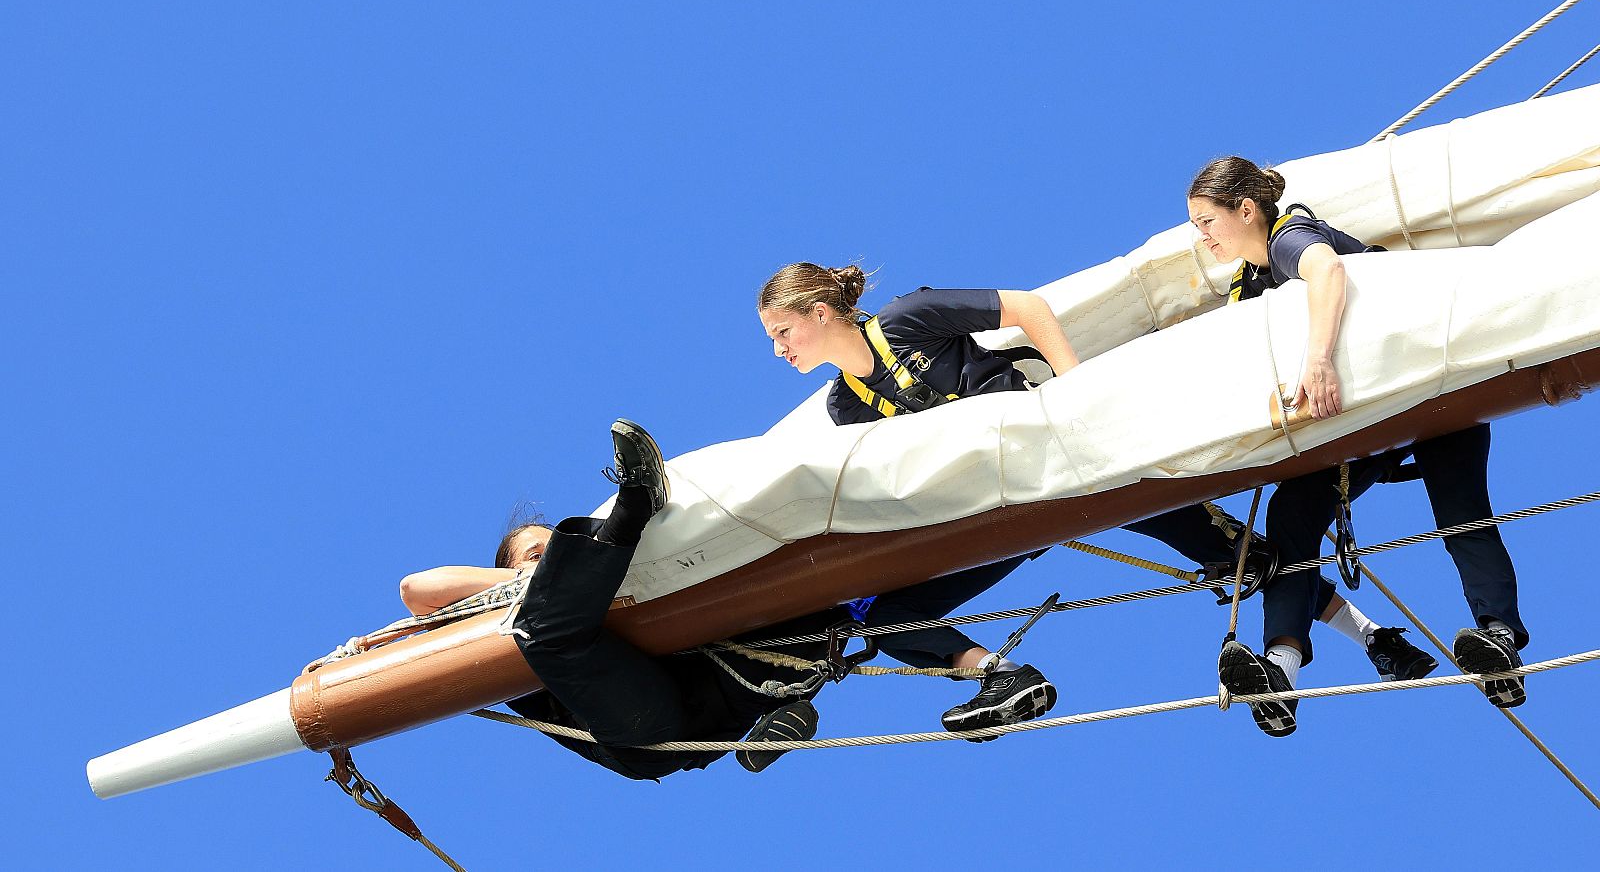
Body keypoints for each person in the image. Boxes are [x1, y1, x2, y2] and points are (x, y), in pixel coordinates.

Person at [755, 263, 1432, 736]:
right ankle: (1000, 676)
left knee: (1241, 560)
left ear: (819, 313)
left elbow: (1026, 308)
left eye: (782, 332)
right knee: (887, 616)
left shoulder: (908, 318)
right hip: (999, 510)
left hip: (1063, 459)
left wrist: (1076, 397)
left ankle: (1373, 636)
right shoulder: (848, 405)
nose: (778, 349)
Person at [1187, 156, 1529, 737]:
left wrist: (1317, 362)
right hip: (1370, 424)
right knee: (1293, 514)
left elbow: (1327, 273)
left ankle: (1499, 638)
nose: (1201, 237)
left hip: (1429, 393)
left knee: (1460, 511)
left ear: (1246, 210)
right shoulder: (1249, 288)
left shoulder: (1290, 238)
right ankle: (1281, 670)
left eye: (1205, 221)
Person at [404, 419, 843, 778]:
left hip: (719, 687)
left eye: (557, 549)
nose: (552, 557)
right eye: (540, 552)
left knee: (807, 606)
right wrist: (525, 575)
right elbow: (417, 590)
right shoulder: (505, 613)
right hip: (648, 730)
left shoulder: (607, 582)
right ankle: (634, 506)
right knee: (542, 631)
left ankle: (780, 711)